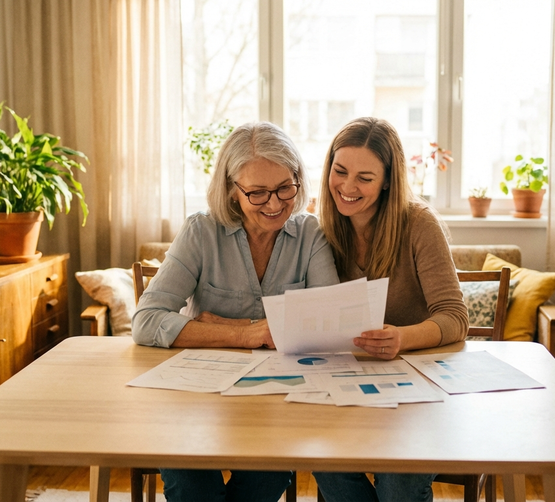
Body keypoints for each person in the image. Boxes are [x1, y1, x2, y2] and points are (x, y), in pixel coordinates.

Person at [132, 121, 339, 502]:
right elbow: (146, 321)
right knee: (189, 479)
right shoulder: (201, 232)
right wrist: (250, 333)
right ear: (231, 191)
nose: (275, 204)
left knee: (270, 471)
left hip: (276, 402)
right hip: (195, 400)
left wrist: (215, 324)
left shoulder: (311, 234)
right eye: (257, 193)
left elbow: (328, 325)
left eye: (284, 188)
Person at [313, 117, 468, 502]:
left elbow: (455, 317)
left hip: (418, 388)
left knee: (398, 483)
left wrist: (402, 337)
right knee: (320, 454)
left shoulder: (419, 223)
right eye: (340, 171)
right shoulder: (322, 231)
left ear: (387, 181)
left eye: (364, 178)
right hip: (346, 384)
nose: (347, 187)